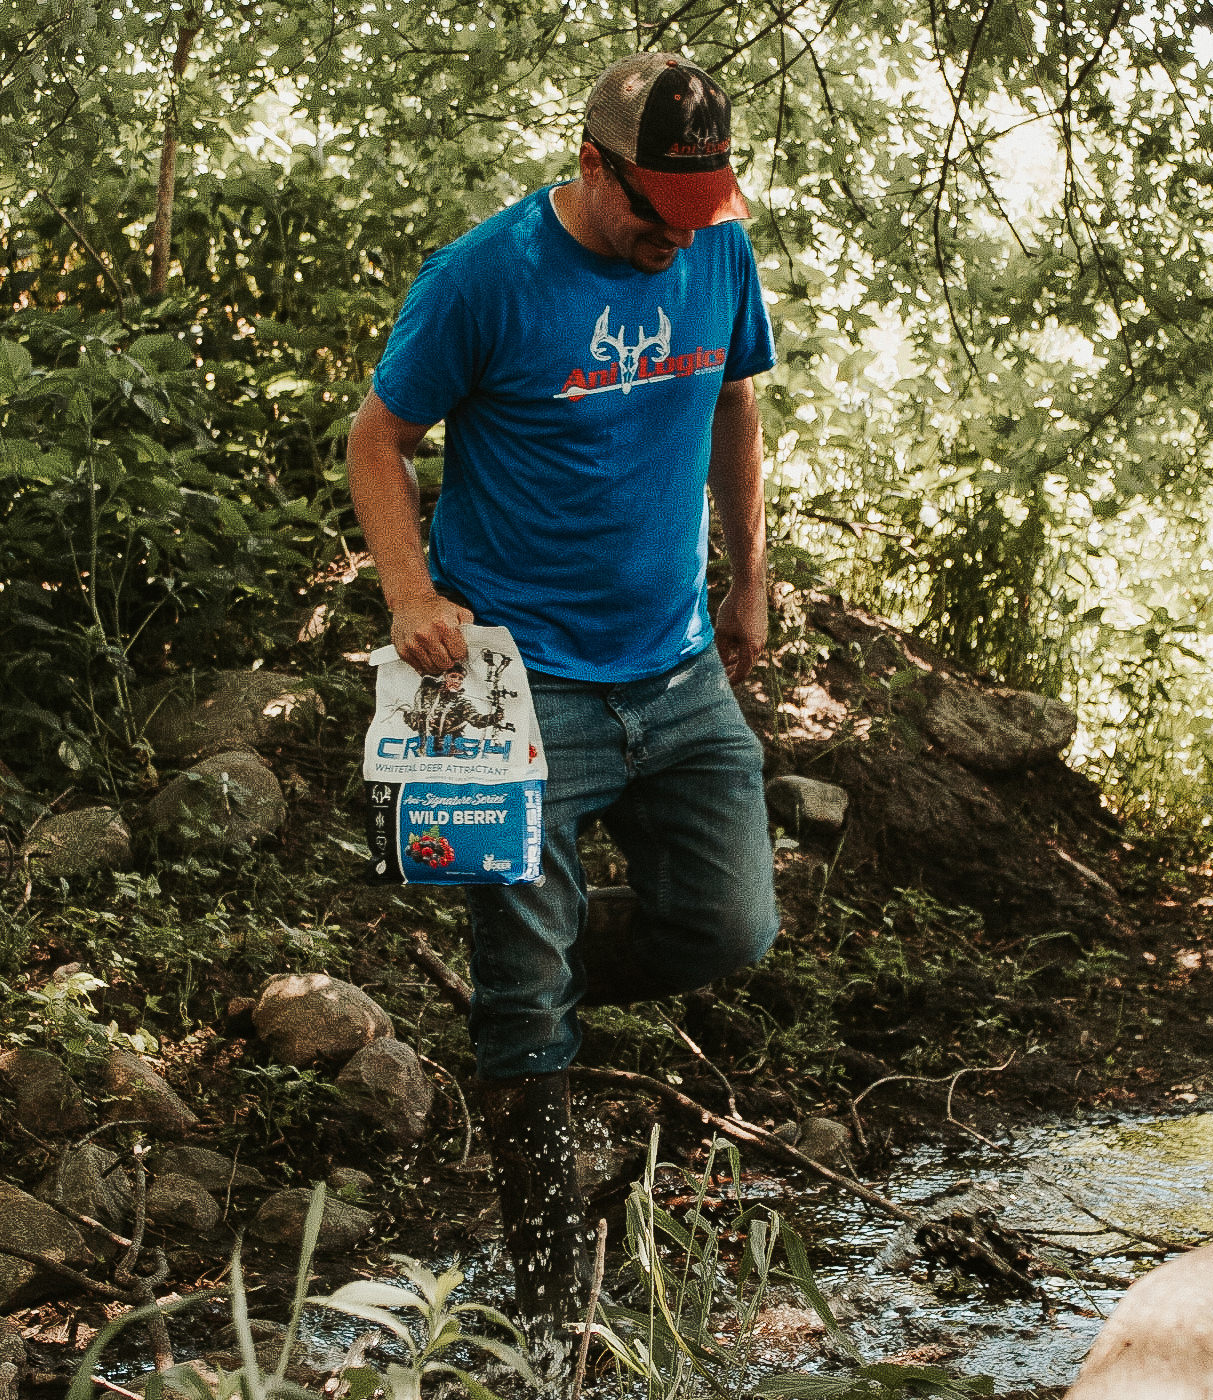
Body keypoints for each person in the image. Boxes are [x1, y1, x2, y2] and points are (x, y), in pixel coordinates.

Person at [346, 51, 781, 1362]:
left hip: (678, 661)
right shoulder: (484, 278)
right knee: (521, 999)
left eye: (698, 212)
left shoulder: (715, 240)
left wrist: (751, 575)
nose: (677, 240)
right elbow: (377, 441)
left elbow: (736, 403)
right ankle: (554, 1330)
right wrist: (409, 593)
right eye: (656, 213)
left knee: (731, 924)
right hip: (504, 684)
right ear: (594, 168)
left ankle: (523, 1015)